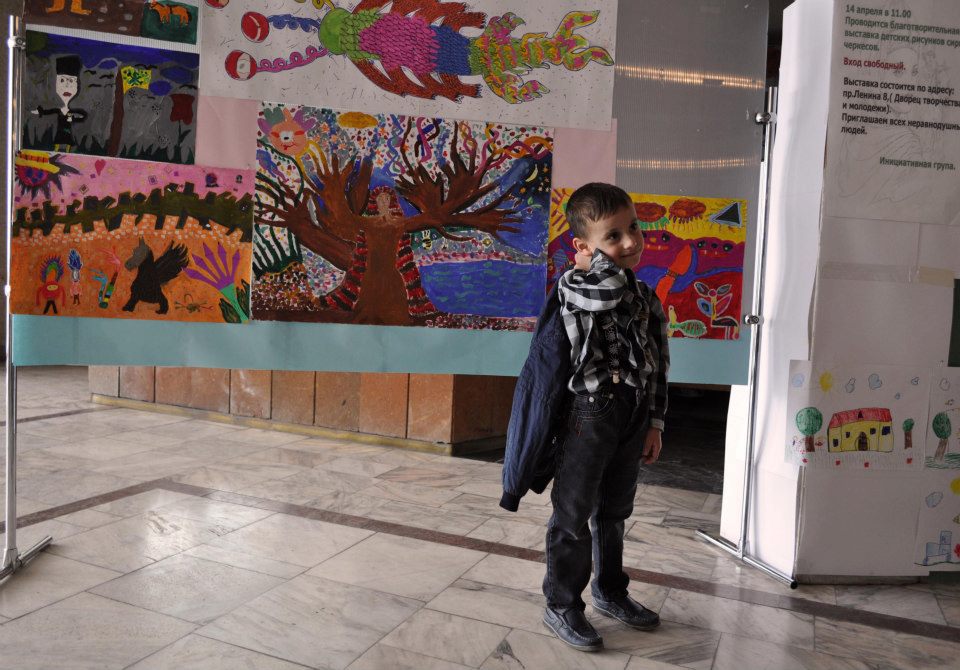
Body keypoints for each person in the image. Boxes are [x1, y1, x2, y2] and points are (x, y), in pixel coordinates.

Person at [500, 182, 669, 652]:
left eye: (633, 227)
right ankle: (561, 603)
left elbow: (658, 364)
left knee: (615, 512)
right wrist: (595, 262)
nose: (631, 241)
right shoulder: (576, 285)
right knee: (572, 515)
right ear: (583, 246)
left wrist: (655, 422)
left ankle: (610, 591)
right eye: (613, 235)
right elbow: (607, 292)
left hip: (632, 414)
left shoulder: (647, 296)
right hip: (588, 416)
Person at [31, 55, 87, 151]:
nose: (67, 86)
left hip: (67, 132)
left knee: (68, 141)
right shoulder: (58, 110)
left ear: (77, 84)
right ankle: (57, 150)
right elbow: (49, 112)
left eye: (71, 81)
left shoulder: (72, 111)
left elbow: (83, 115)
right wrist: (40, 111)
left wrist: (73, 118)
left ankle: (67, 151)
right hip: (60, 132)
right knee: (59, 140)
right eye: (62, 80)